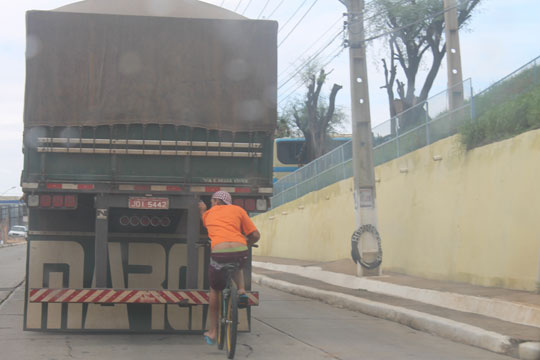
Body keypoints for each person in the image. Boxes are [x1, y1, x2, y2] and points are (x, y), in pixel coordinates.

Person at [198, 190, 260, 345]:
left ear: (216, 201)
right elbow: (256, 234)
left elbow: (204, 221)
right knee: (238, 264)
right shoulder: (238, 210)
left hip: (220, 253)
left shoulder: (208, 214)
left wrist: (202, 209)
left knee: (214, 289)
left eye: (213, 201)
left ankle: (213, 332)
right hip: (240, 251)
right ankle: (241, 290)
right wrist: (247, 243)